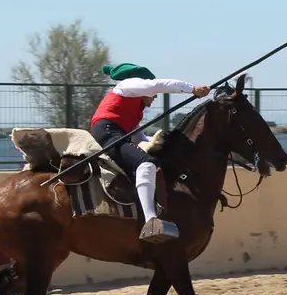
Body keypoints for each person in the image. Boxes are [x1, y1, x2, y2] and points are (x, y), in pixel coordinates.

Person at [89, 62, 210, 244]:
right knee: (146, 163)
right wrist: (192, 89)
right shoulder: (127, 86)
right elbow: (156, 85)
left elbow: (139, 138)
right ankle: (150, 221)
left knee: (150, 160)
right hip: (107, 132)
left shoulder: (131, 108)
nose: (154, 98)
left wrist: (153, 141)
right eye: (153, 95)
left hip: (112, 132)